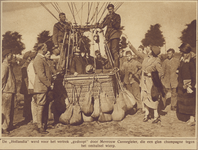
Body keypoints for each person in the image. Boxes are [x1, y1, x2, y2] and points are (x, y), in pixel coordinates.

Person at [129, 42, 164, 123]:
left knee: (153, 98)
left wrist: (151, 74)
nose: (148, 49)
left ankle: (156, 116)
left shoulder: (156, 60)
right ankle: (147, 114)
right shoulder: (145, 57)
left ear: (152, 51)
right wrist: (130, 45)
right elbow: (137, 53)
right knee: (144, 97)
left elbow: (161, 73)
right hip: (144, 82)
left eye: (149, 48)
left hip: (152, 83)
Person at [33, 43, 53, 133]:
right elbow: (41, 75)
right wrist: (49, 84)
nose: (47, 49)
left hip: (43, 87)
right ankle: (40, 126)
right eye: (46, 48)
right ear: (42, 48)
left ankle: (44, 125)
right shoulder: (38, 59)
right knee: (40, 107)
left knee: (44, 106)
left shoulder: (42, 58)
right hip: (41, 87)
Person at [97, 4, 122, 68]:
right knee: (107, 50)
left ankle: (116, 67)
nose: (110, 10)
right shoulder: (107, 17)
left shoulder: (117, 16)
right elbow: (103, 25)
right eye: (109, 9)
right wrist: (98, 25)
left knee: (114, 50)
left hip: (114, 35)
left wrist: (112, 20)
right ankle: (110, 65)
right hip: (108, 36)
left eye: (111, 9)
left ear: (113, 9)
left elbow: (117, 26)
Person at [176, 43, 196, 125]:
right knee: (186, 102)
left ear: (188, 53)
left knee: (191, 102)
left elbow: (194, 75)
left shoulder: (191, 62)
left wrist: (191, 85)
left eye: (183, 53)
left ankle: (192, 119)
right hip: (183, 84)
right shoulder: (182, 61)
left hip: (189, 85)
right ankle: (190, 118)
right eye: (181, 52)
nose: (182, 54)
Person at [2, 49, 16, 134]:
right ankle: (4, 127)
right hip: (6, 91)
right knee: (5, 110)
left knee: (10, 110)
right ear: (7, 56)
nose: (12, 56)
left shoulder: (8, 65)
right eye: (11, 55)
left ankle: (9, 125)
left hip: (10, 91)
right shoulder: (4, 66)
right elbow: (2, 79)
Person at [26, 51, 38, 125]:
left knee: (35, 102)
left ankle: (36, 119)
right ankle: (35, 119)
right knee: (34, 102)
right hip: (33, 87)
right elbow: (32, 78)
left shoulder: (33, 65)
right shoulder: (31, 65)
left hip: (34, 86)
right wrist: (36, 86)